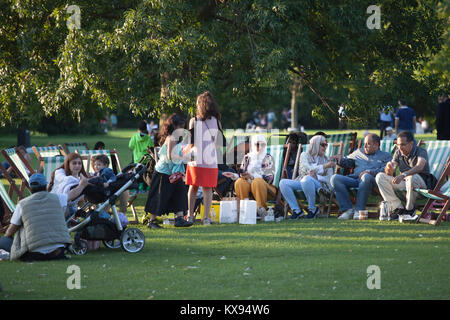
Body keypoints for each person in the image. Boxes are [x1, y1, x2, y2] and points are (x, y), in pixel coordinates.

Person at [0, 173, 87, 261]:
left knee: (4, 240)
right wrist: (83, 184)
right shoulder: (57, 198)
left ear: (30, 188)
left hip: (34, 254)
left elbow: (9, 232)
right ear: (45, 186)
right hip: (57, 252)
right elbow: (73, 194)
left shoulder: (22, 204)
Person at [144, 114, 193, 228]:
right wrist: (185, 158)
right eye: (179, 127)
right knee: (159, 197)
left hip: (174, 173)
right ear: (173, 126)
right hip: (163, 173)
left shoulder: (177, 138)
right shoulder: (171, 138)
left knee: (179, 193)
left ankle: (179, 218)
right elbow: (171, 156)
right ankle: (151, 222)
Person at [375, 131, 435, 221]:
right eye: (398, 145)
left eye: (403, 144)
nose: (400, 147)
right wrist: (389, 168)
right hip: (406, 183)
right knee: (380, 176)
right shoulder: (398, 152)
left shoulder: (421, 151)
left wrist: (403, 175)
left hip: (422, 184)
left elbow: (419, 166)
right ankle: (398, 208)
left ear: (411, 143)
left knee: (411, 177)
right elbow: (391, 170)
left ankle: (409, 210)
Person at [331, 133, 392, 220]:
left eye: (368, 144)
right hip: (355, 180)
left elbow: (386, 170)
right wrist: (339, 160)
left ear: (376, 145)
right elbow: (347, 162)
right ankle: (347, 210)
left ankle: (359, 210)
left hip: (372, 182)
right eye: (364, 144)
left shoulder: (386, 156)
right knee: (335, 178)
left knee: (366, 176)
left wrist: (370, 172)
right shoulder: (358, 152)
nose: (365, 146)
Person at [185, 91, 223, 225]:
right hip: (210, 160)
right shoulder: (217, 122)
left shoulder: (193, 121)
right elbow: (219, 144)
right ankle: (205, 218)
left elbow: (191, 142)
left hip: (195, 161)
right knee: (208, 189)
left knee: (193, 188)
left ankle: (190, 216)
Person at [279, 135, 337, 219]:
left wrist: (317, 177)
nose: (325, 147)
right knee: (283, 183)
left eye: (326, 145)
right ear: (315, 144)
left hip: (319, 186)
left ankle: (312, 209)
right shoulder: (304, 155)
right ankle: (297, 210)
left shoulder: (326, 159)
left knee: (307, 179)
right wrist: (323, 166)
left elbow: (329, 178)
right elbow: (306, 169)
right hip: (302, 182)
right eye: (323, 145)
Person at [223, 134, 276, 218]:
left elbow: (269, 177)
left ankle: (261, 209)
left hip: (267, 187)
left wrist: (252, 177)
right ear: (253, 145)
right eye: (257, 144)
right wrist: (234, 175)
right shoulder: (247, 157)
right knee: (240, 182)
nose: (259, 147)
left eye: (262, 144)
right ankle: (246, 209)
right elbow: (242, 173)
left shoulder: (268, 157)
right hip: (249, 185)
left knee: (257, 181)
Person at [48, 152, 89, 217]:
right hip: (56, 206)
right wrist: (80, 183)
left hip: (72, 209)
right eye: (74, 163)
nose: (77, 165)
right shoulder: (60, 173)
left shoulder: (80, 179)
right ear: (68, 164)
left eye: (79, 163)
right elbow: (66, 180)